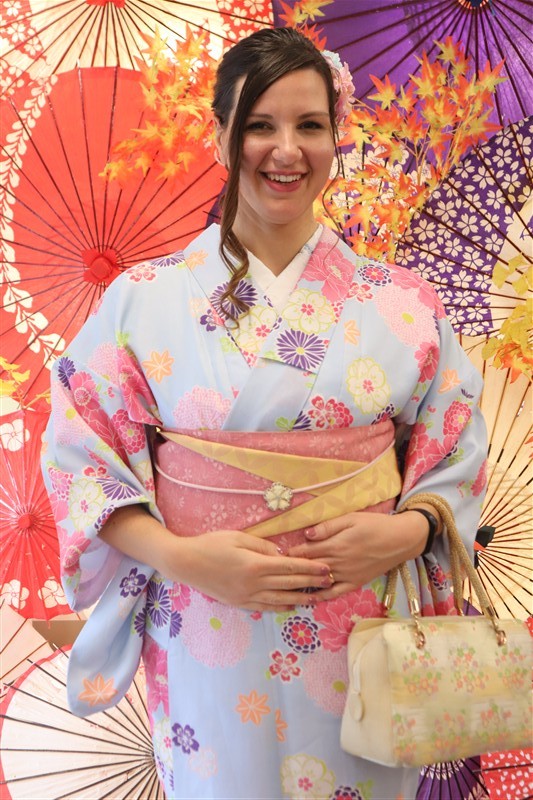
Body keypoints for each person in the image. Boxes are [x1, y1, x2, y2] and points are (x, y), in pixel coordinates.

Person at [42, 27, 488, 800]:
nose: (286, 150)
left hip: (363, 624)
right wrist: (181, 556)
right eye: (259, 125)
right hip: (206, 619)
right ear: (220, 135)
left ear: (335, 136)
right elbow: (83, 456)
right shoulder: (143, 300)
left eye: (309, 125)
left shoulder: (403, 302)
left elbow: (455, 446)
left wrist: (408, 532)